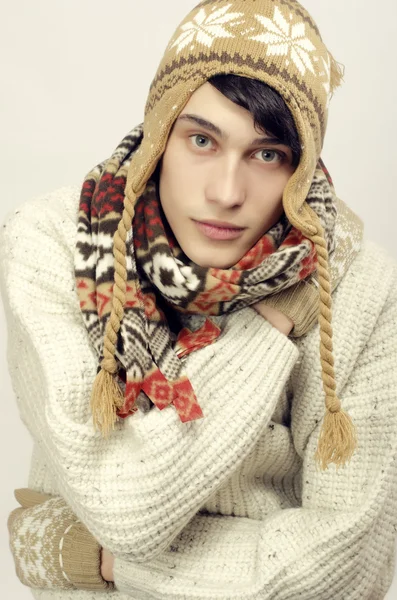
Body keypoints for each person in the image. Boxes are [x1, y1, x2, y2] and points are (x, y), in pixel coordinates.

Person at [1, 0, 397, 598]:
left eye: (268, 155)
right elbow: (126, 507)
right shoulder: (55, 242)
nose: (227, 192)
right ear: (160, 132)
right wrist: (273, 327)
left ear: (303, 168)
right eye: (202, 140)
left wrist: (98, 561)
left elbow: (342, 572)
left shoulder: (357, 282)